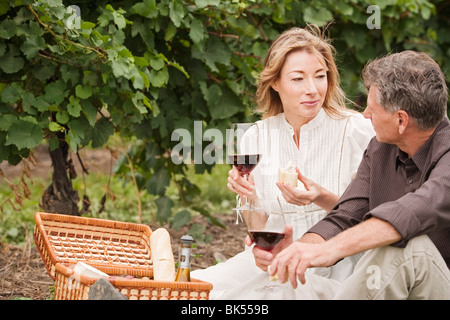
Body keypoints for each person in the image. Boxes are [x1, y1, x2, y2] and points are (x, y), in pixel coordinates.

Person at [239, 50, 450, 299]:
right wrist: (299, 251)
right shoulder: (379, 148)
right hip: (396, 288)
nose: (365, 115)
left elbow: (414, 210)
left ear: (401, 120)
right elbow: (344, 216)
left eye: (372, 109)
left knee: (407, 245)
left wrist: (330, 250)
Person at [190, 25, 375, 299]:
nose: (312, 89)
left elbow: (376, 216)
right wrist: (252, 205)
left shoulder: (358, 130)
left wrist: (321, 197)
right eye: (298, 79)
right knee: (193, 286)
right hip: (277, 261)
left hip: (337, 262)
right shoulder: (256, 137)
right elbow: (261, 226)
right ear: (275, 83)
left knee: (261, 298)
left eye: (320, 76)